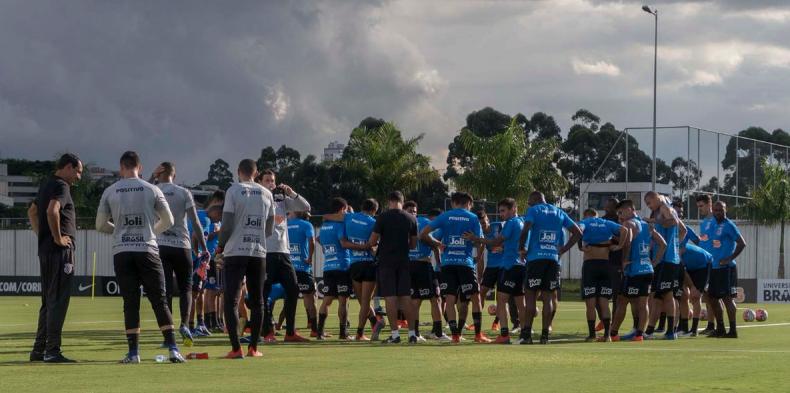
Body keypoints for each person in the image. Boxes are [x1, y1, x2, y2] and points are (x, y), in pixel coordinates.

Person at [95, 151, 185, 363]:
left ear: (121, 167)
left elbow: (99, 225)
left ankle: (134, 353)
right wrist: (151, 231)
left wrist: (118, 230)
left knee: (130, 302)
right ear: (140, 167)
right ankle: (173, 349)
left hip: (122, 251)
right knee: (159, 300)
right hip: (147, 250)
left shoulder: (110, 191)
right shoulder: (152, 189)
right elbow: (169, 220)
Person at [215, 159, 275, 359]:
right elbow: (269, 229)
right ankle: (254, 348)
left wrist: (221, 246)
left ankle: (235, 348)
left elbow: (227, 223)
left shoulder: (233, 191)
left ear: (238, 172)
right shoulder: (267, 193)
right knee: (258, 301)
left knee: (231, 300)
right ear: (256, 173)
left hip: (235, 251)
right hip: (258, 251)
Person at [27, 153, 83, 363]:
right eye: (78, 171)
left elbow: (32, 211)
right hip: (60, 253)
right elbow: (52, 211)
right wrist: (58, 238)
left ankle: (39, 350)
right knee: (58, 301)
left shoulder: (46, 185)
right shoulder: (61, 186)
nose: (78, 177)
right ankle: (52, 351)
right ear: (68, 167)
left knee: (47, 302)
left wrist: (42, 235)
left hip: (45, 251)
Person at [150, 162, 209, 346]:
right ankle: (184, 324)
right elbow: (196, 223)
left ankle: (168, 334)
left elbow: (140, 190)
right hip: (182, 246)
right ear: (174, 176)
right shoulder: (184, 192)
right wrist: (204, 247)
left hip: (161, 247)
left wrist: (152, 176)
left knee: (165, 291)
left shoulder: (153, 189)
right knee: (186, 290)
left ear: (160, 174)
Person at [420, 192, 488, 343]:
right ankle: (477, 335)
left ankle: (455, 336)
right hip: (465, 263)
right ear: (469, 203)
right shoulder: (472, 218)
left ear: (453, 203)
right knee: (475, 297)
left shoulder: (445, 217)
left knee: (449, 299)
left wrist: (438, 244)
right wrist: (477, 253)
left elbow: (424, 234)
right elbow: (481, 242)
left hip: (448, 264)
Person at [518, 192, 582, 344]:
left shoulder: (534, 210)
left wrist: (521, 248)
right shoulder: (559, 212)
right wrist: (563, 249)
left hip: (535, 259)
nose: (529, 205)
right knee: (548, 298)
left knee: (531, 296)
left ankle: (526, 335)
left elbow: (526, 229)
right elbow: (578, 232)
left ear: (534, 199)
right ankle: (545, 335)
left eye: (529, 202)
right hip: (553, 260)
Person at [257, 170, 312, 342]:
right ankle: (267, 332)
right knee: (264, 293)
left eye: (273, 181)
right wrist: (269, 196)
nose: (271, 184)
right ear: (260, 182)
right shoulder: (258, 198)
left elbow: (305, 207)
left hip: (284, 252)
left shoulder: (282, 201)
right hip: (266, 252)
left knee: (293, 289)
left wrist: (290, 193)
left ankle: (290, 332)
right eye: (267, 180)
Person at [464, 198, 525, 344]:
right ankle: (525, 333)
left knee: (502, 300)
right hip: (520, 266)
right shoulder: (523, 222)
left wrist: (476, 238)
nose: (501, 214)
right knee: (519, 302)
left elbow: (495, 242)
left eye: (503, 211)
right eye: (500, 211)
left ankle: (504, 335)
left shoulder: (510, 223)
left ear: (513, 209)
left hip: (510, 266)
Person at [322, 199, 383, 341]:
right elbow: (373, 246)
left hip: (354, 266)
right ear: (374, 210)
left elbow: (326, 216)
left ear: (362, 207)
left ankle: (374, 322)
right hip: (368, 264)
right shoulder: (374, 222)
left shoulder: (349, 217)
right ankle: (360, 333)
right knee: (366, 301)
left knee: (362, 301)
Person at [365, 191, 418, 344]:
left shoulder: (382, 217)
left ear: (389, 201)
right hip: (404, 261)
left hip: (386, 262)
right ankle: (412, 334)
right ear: (403, 201)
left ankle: (395, 335)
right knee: (406, 298)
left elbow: (372, 241)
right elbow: (413, 244)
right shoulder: (411, 218)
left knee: (390, 298)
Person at [610, 199, 666, 342]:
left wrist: (624, 260)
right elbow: (663, 244)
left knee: (622, 301)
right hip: (648, 269)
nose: (620, 216)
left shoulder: (629, 224)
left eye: (621, 212)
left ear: (629, 209)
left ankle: (613, 334)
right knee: (643, 303)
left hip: (634, 270)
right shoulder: (647, 225)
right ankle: (640, 334)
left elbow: (627, 241)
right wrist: (654, 262)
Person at [577, 208, 628, 342]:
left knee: (591, 303)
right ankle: (607, 335)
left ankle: (592, 334)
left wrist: (580, 246)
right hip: (605, 265)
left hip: (590, 266)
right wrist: (619, 246)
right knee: (604, 302)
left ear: (587, 216)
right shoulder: (606, 223)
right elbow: (625, 230)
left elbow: (577, 229)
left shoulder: (586, 222)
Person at [643, 192, 687, 340]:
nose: (649, 206)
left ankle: (670, 331)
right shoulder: (668, 209)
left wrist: (654, 221)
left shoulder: (664, 209)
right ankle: (651, 330)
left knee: (667, 296)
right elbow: (683, 230)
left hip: (666, 260)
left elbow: (673, 223)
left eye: (649, 202)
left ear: (656, 198)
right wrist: (675, 245)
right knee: (657, 296)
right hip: (669, 259)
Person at [404, 201, 447, 342]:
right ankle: (433, 333)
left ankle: (420, 333)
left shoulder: (422, 222)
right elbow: (429, 240)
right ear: (404, 210)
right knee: (426, 300)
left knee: (432, 299)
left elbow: (432, 242)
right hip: (414, 266)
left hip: (423, 265)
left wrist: (439, 263)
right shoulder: (403, 225)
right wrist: (438, 244)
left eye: (414, 210)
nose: (413, 213)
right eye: (409, 210)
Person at [706, 201, 746, 338]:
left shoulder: (729, 225)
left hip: (726, 268)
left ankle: (733, 330)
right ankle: (721, 328)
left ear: (725, 210)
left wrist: (729, 258)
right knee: (712, 298)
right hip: (714, 267)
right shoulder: (712, 223)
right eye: (716, 210)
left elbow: (742, 243)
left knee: (727, 299)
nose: (718, 212)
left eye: (720, 210)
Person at [316, 198, 352, 340]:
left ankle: (319, 333)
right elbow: (343, 243)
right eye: (346, 209)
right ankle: (343, 333)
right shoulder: (340, 225)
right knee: (343, 301)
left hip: (328, 267)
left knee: (326, 300)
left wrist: (327, 249)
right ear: (342, 208)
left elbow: (318, 239)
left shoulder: (324, 225)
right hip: (342, 266)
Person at [287, 211, 319, 337]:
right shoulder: (306, 225)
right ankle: (314, 329)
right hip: (303, 268)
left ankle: (289, 330)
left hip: (288, 268)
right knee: (310, 297)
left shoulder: (286, 224)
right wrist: (310, 258)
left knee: (289, 299)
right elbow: (311, 241)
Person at [475, 210, 505, 332]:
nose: (482, 225)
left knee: (501, 296)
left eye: (484, 222)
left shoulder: (499, 226)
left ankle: (496, 323)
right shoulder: (480, 236)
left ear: (488, 219)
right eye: (480, 224)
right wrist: (479, 276)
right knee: (481, 292)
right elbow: (480, 257)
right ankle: (478, 322)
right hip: (491, 267)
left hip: (504, 266)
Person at [695, 194, 720, 335]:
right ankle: (711, 325)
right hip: (706, 263)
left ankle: (719, 325)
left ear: (709, 204)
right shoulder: (703, 222)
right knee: (708, 296)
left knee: (715, 296)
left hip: (716, 263)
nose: (699, 209)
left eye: (701, 206)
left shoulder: (717, 221)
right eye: (698, 206)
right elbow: (704, 241)